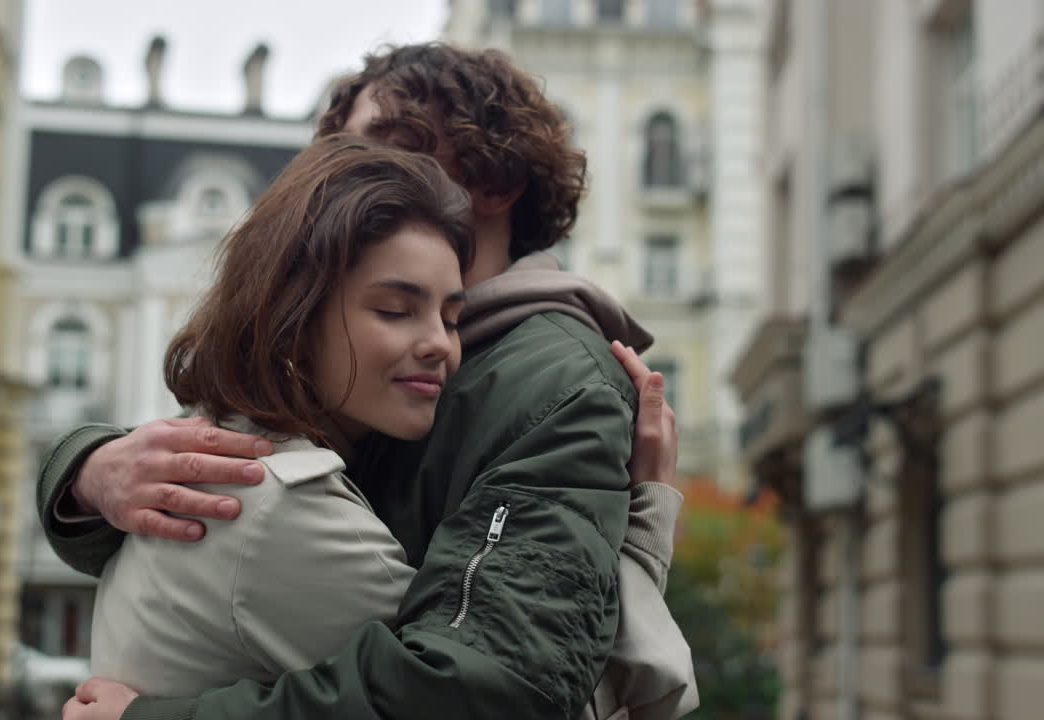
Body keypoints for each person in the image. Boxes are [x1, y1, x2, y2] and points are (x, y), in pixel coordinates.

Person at [45, 44, 695, 720]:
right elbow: (226, 538)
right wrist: (86, 471)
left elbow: (494, 683)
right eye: (337, 154)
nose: (343, 178)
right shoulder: (354, 379)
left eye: (391, 148)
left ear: (496, 183)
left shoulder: (554, 381)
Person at [91, 134, 475, 696]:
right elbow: (495, 698)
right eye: (396, 310)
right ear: (293, 317)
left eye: (452, 317)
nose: (440, 343)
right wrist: (646, 512)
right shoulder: (285, 508)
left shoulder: (219, 445)